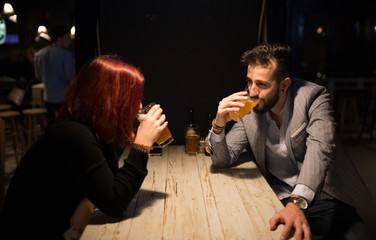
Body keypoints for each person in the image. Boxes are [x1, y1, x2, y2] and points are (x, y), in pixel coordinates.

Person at [208, 43, 372, 240]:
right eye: (249, 81)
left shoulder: (314, 97)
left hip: (324, 196)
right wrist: (218, 125)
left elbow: (321, 150)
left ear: (284, 85)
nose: (252, 91)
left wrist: (297, 203)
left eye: (262, 84)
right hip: (280, 196)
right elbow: (222, 160)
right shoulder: (250, 105)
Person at [0, 55, 168, 239]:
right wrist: (142, 145)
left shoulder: (93, 129)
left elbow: (110, 184)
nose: (140, 105)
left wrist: (89, 201)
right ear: (112, 99)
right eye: (133, 98)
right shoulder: (74, 134)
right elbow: (115, 203)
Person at [34, 25, 75, 120]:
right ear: (59, 39)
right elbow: (70, 77)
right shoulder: (66, 55)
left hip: (47, 98)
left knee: (52, 126)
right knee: (65, 126)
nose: (70, 41)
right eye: (67, 38)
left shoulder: (40, 54)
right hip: (63, 98)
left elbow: (38, 76)